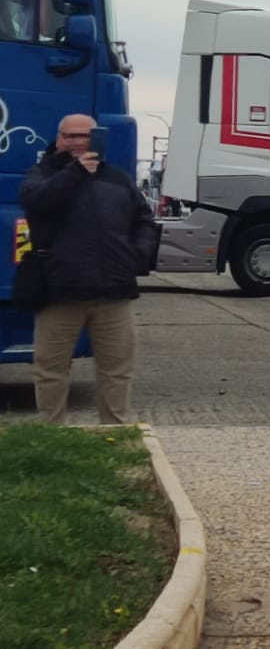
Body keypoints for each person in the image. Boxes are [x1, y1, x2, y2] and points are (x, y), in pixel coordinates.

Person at [19, 113, 160, 424]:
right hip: (59, 293)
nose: (76, 142)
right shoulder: (41, 175)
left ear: (96, 138)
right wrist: (76, 173)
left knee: (117, 370)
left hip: (113, 293)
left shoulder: (117, 178)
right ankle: (51, 437)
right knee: (51, 370)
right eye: (69, 136)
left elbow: (144, 220)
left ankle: (117, 436)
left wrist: (137, 255)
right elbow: (37, 201)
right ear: (58, 139)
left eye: (83, 136)